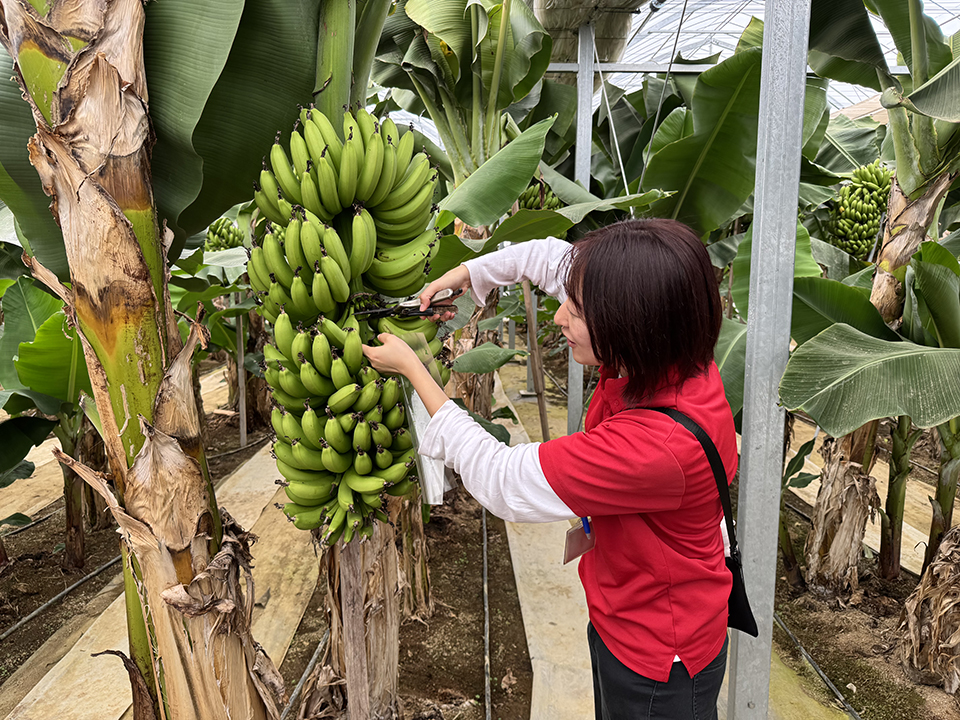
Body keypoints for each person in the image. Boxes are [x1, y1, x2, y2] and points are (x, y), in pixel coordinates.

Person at [362, 218, 736, 720]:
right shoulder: (671, 349)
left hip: (659, 658)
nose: (559, 317)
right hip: (623, 611)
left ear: (629, 322)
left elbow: (501, 477)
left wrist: (414, 369)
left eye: (576, 311)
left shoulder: (654, 447)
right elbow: (543, 256)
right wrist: (462, 275)